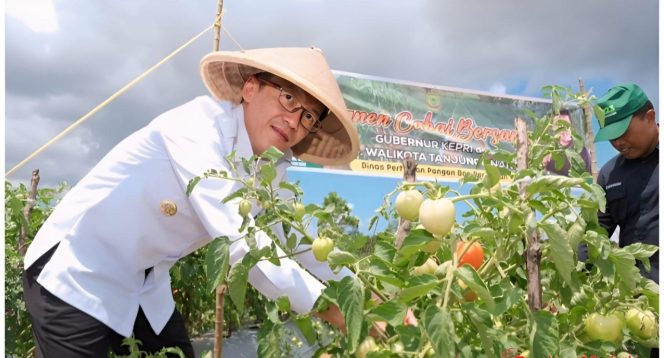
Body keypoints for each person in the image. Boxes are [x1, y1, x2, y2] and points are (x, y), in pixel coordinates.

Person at [21, 47, 362, 357]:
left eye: (308, 117)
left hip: (141, 281)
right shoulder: (200, 127)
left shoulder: (270, 171)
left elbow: (299, 241)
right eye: (288, 97)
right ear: (250, 87)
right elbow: (240, 245)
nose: (294, 120)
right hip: (76, 267)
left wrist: (360, 292)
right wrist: (331, 307)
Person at [594, 83, 658, 284]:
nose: (617, 142)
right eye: (611, 136)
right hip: (636, 298)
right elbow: (596, 234)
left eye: (623, 131)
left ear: (649, 117)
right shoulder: (609, 174)